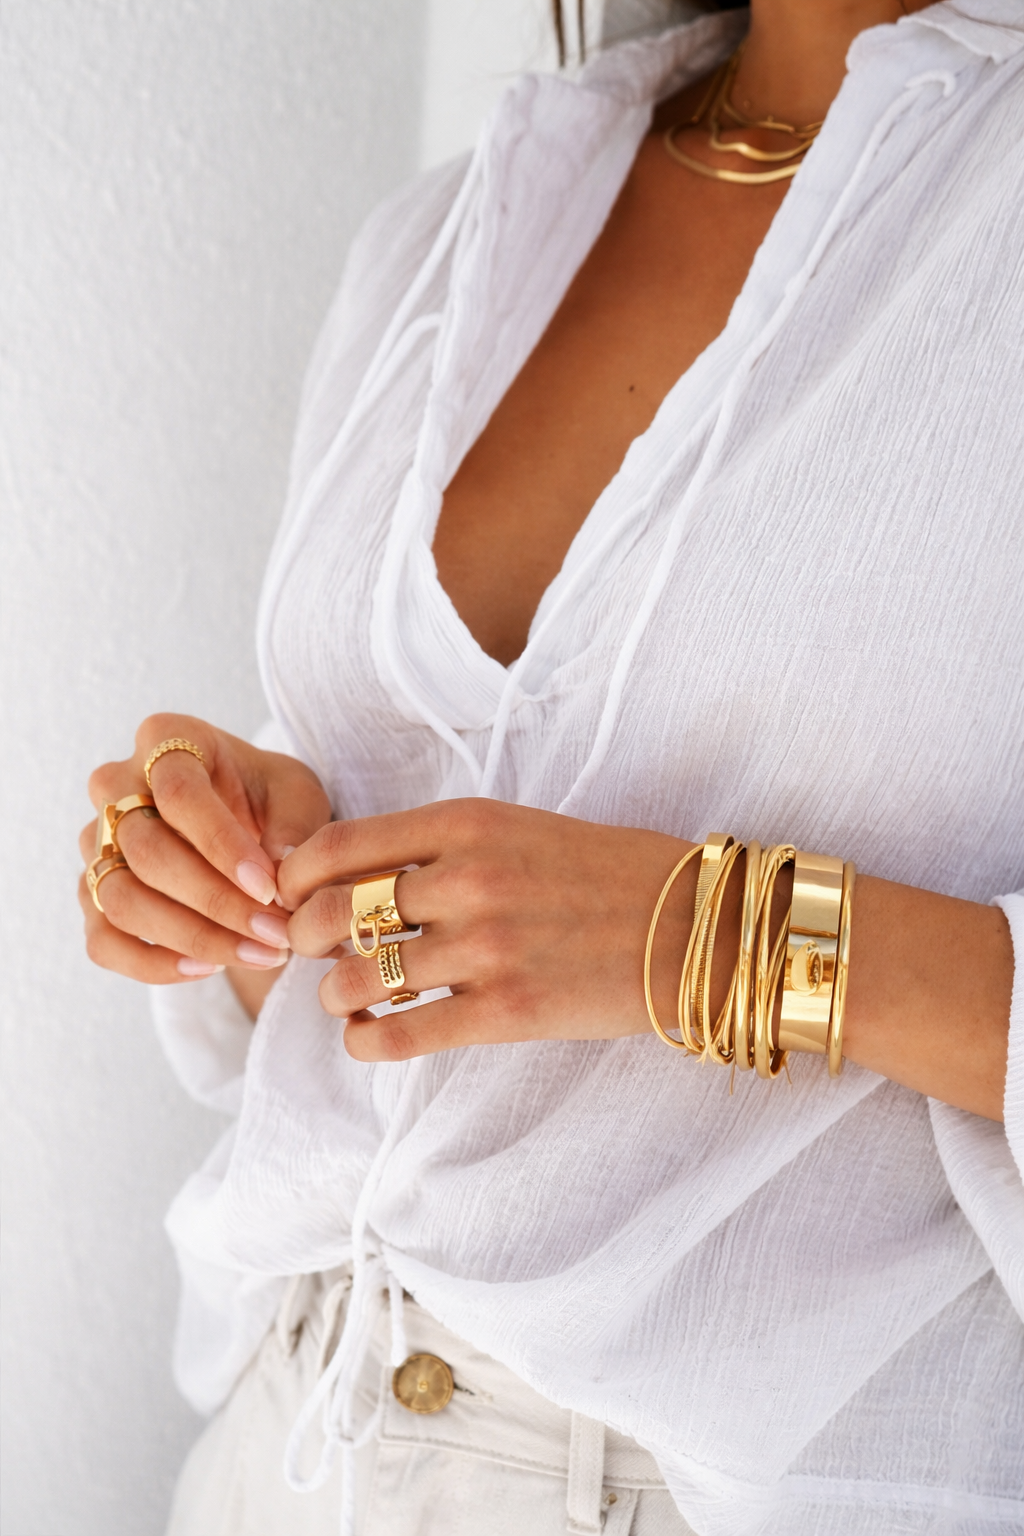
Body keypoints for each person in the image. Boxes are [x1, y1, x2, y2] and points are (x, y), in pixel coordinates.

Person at [79, 1, 1024, 1532]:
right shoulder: (449, 228)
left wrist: (710, 936)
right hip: (295, 1434)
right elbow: (372, 985)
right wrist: (246, 886)